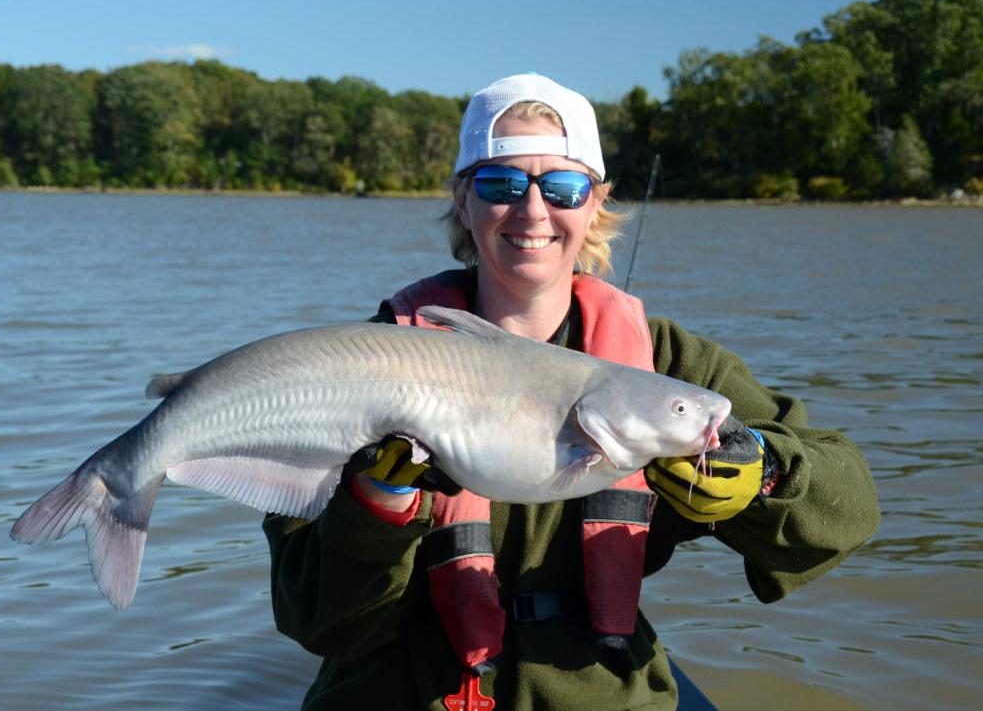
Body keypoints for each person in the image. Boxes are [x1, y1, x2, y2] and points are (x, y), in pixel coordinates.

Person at [263, 73, 880, 710]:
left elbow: (851, 504)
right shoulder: (367, 359)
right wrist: (372, 505)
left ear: (594, 203)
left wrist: (765, 474)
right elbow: (316, 619)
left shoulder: (665, 362)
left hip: (601, 687)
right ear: (462, 199)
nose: (532, 211)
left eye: (562, 187)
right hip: (401, 689)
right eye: (500, 184)